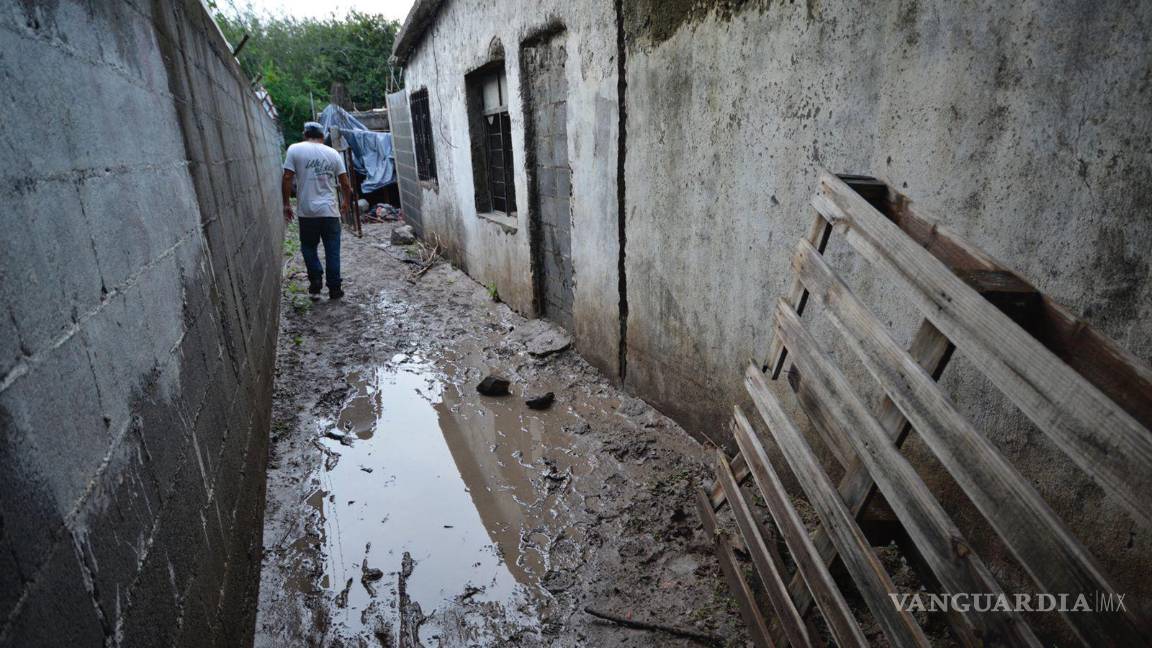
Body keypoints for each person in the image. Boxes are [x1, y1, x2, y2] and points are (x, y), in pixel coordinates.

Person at [282, 121, 353, 299]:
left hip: (307, 212)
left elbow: (287, 177)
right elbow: (345, 183)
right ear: (322, 137)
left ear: (305, 135)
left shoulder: (294, 149)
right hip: (330, 211)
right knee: (332, 250)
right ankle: (335, 288)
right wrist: (346, 202)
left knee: (308, 247)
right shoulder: (333, 153)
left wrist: (286, 204)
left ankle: (315, 280)